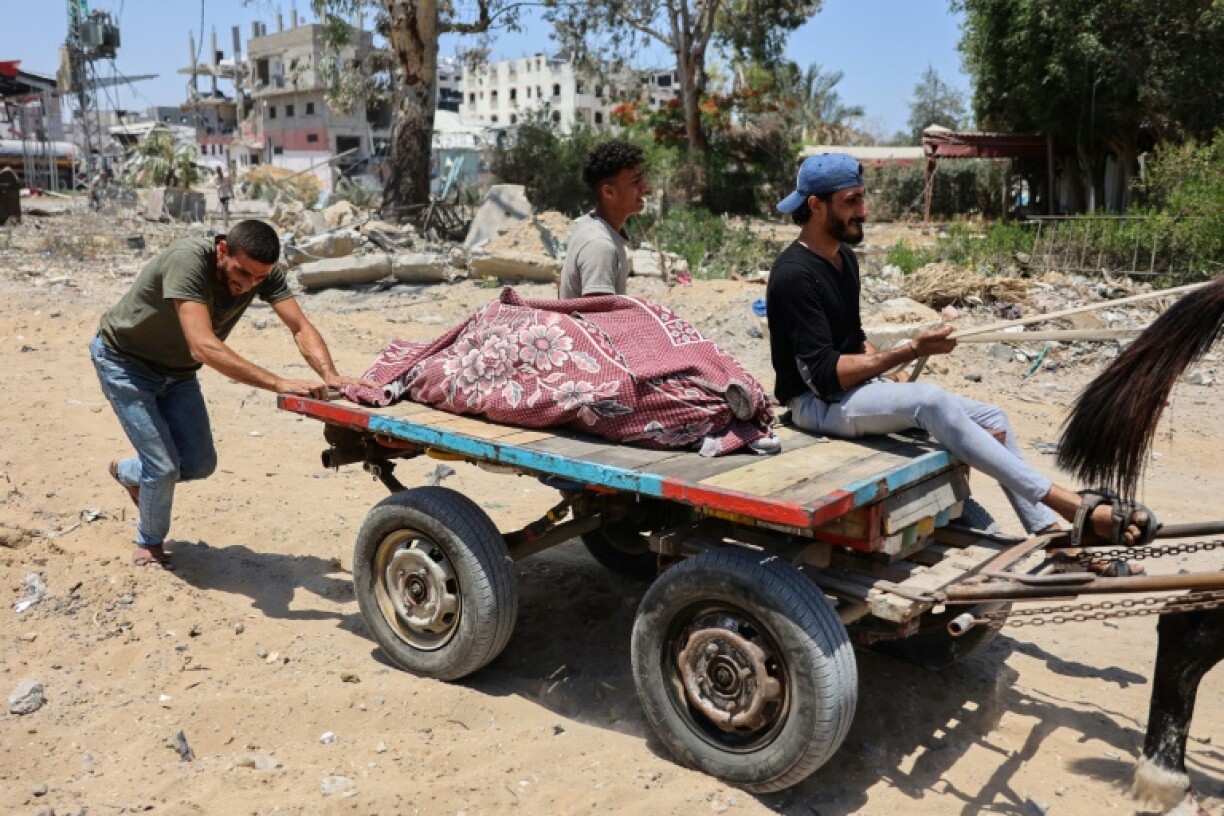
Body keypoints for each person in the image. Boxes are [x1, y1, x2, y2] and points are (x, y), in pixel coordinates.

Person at [766, 153, 1155, 568]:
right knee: (929, 400)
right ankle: (1070, 506)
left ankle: (1052, 538)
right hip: (816, 403)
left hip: (850, 392)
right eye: (852, 201)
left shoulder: (844, 260)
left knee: (994, 418)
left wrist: (892, 375)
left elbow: (854, 341)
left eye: (862, 198)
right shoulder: (794, 275)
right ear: (816, 205)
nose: (864, 210)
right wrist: (911, 351)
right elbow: (824, 376)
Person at [90, 219, 376, 567]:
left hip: (177, 373)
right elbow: (202, 346)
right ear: (222, 249)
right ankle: (149, 544)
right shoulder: (188, 260)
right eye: (242, 272)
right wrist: (277, 382)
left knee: (199, 463)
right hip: (125, 363)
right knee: (163, 468)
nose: (249, 284)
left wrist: (330, 375)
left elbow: (299, 326)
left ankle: (128, 472)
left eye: (259, 278)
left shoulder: (262, 274)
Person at [558, 140, 649, 299]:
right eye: (635, 182)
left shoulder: (588, 226)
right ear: (608, 192)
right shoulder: (600, 245)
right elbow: (598, 312)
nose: (645, 187)